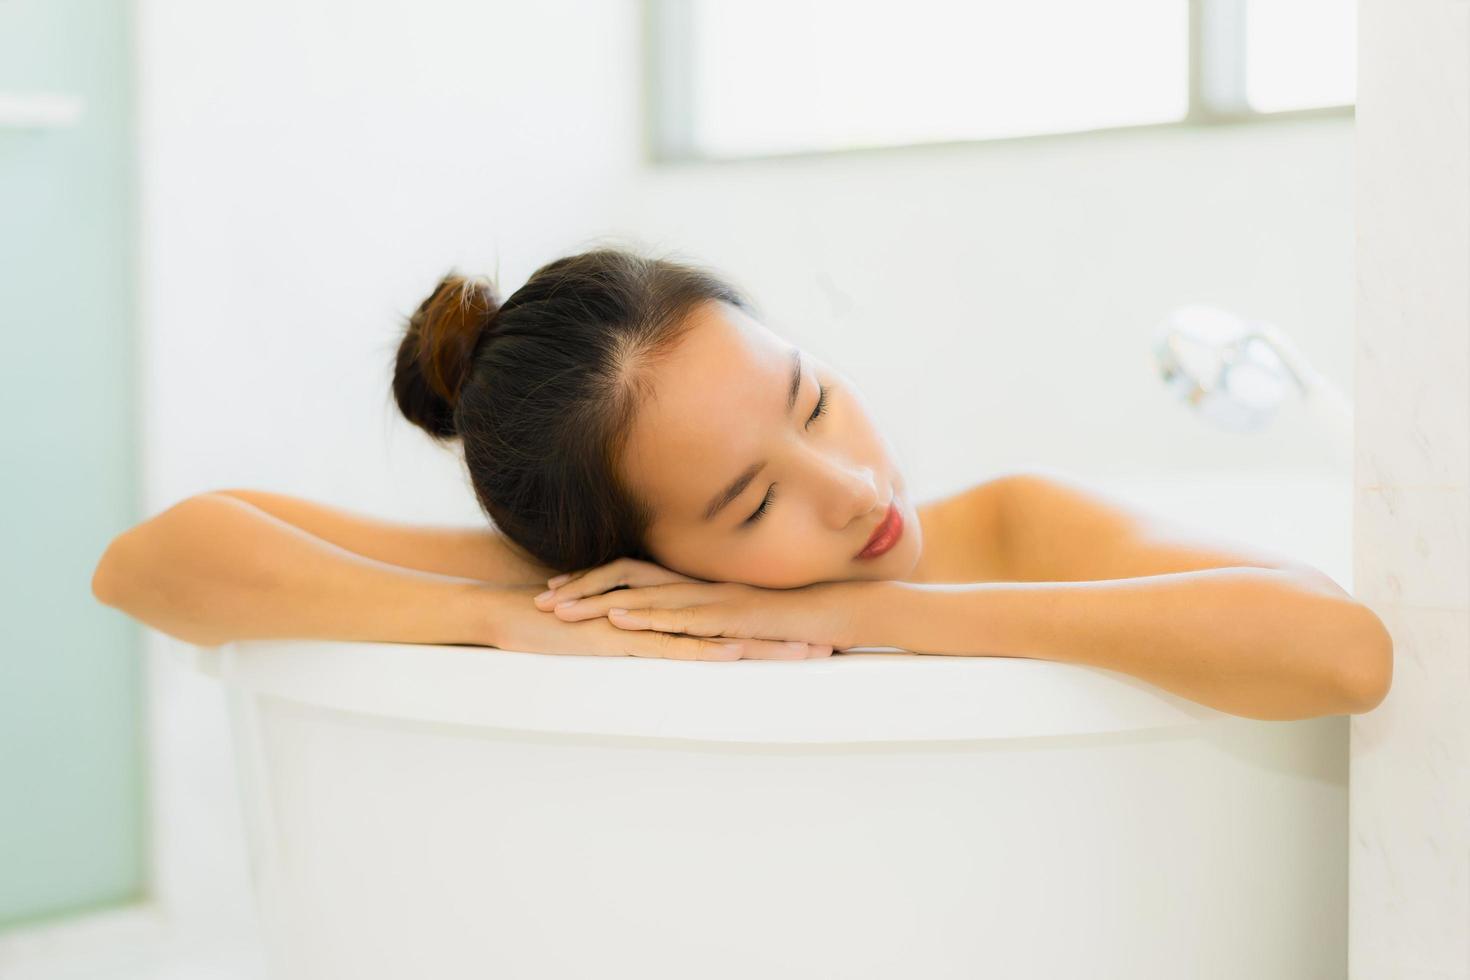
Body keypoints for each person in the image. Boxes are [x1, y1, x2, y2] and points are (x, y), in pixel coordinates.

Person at [92, 245, 1392, 720]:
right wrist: (494, 619)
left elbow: (1336, 650)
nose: (847, 485)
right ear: (645, 551)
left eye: (812, 398)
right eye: (750, 506)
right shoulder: (622, 594)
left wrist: (868, 615)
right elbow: (153, 562)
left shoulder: (1014, 524)